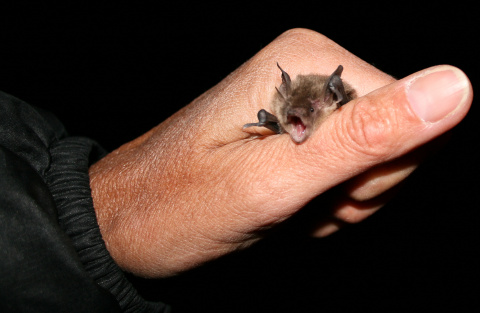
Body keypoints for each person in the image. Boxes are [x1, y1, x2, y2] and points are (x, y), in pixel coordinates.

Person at [0, 29, 473, 312]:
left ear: (331, 98)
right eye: (292, 115)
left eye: (305, 115)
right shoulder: (288, 109)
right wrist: (90, 219)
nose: (300, 124)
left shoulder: (330, 101)